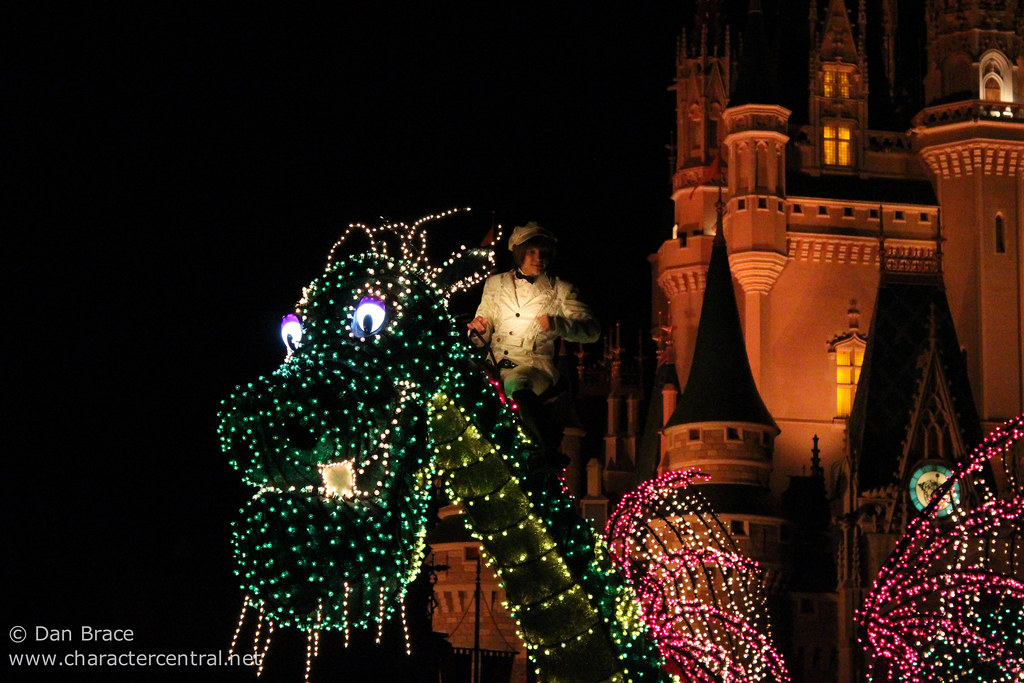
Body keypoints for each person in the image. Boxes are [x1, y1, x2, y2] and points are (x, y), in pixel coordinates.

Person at [468, 222, 600, 458]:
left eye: (543, 253)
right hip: (493, 364)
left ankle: (547, 446)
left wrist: (559, 325)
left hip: (533, 367)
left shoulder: (561, 290)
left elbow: (591, 331)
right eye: (531, 252)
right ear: (519, 253)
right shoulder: (495, 284)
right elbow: (482, 331)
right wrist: (477, 330)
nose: (538, 258)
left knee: (517, 384)